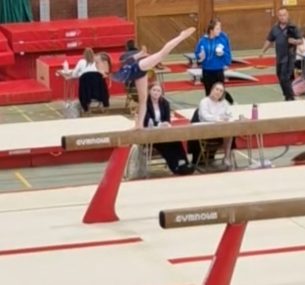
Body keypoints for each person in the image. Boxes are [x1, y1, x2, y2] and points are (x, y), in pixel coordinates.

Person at [113, 27, 196, 129]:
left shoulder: (116, 65)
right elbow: (128, 61)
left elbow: (127, 61)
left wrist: (140, 55)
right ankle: (139, 125)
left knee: (162, 54)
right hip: (137, 73)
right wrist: (140, 54)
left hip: (139, 67)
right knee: (143, 99)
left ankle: (181, 36)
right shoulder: (114, 69)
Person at [144, 83, 194, 175]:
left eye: (158, 91)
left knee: (176, 141)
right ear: (149, 91)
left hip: (164, 131)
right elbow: (146, 120)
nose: (156, 92)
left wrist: (166, 123)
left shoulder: (165, 103)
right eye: (154, 90)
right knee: (166, 145)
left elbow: (167, 120)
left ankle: (184, 163)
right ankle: (175, 166)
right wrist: (159, 124)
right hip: (151, 133)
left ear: (161, 92)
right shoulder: (145, 104)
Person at [260, 7, 302, 101]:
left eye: (284, 15)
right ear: (278, 16)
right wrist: (263, 51)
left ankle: (290, 97)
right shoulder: (275, 28)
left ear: (288, 15)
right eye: (280, 15)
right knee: (280, 76)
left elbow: (300, 41)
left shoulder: (293, 27)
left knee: (284, 77)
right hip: (279, 57)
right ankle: (288, 95)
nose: (282, 17)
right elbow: (269, 40)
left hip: (289, 58)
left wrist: (294, 41)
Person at [189, 82, 233, 167]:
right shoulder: (204, 102)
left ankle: (226, 157)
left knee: (230, 132)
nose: (218, 92)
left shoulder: (224, 103)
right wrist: (218, 119)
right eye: (217, 89)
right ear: (212, 90)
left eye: (221, 91)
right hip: (206, 130)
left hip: (220, 130)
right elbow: (205, 117)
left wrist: (226, 119)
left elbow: (229, 115)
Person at [194, 19, 234, 104]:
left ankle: (229, 102)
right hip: (207, 70)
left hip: (218, 70)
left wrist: (224, 57)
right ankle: (210, 109)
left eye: (220, 28)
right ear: (211, 30)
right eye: (218, 28)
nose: (220, 30)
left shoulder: (223, 38)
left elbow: (228, 52)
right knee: (209, 92)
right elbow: (197, 54)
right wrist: (200, 57)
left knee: (219, 91)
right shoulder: (202, 40)